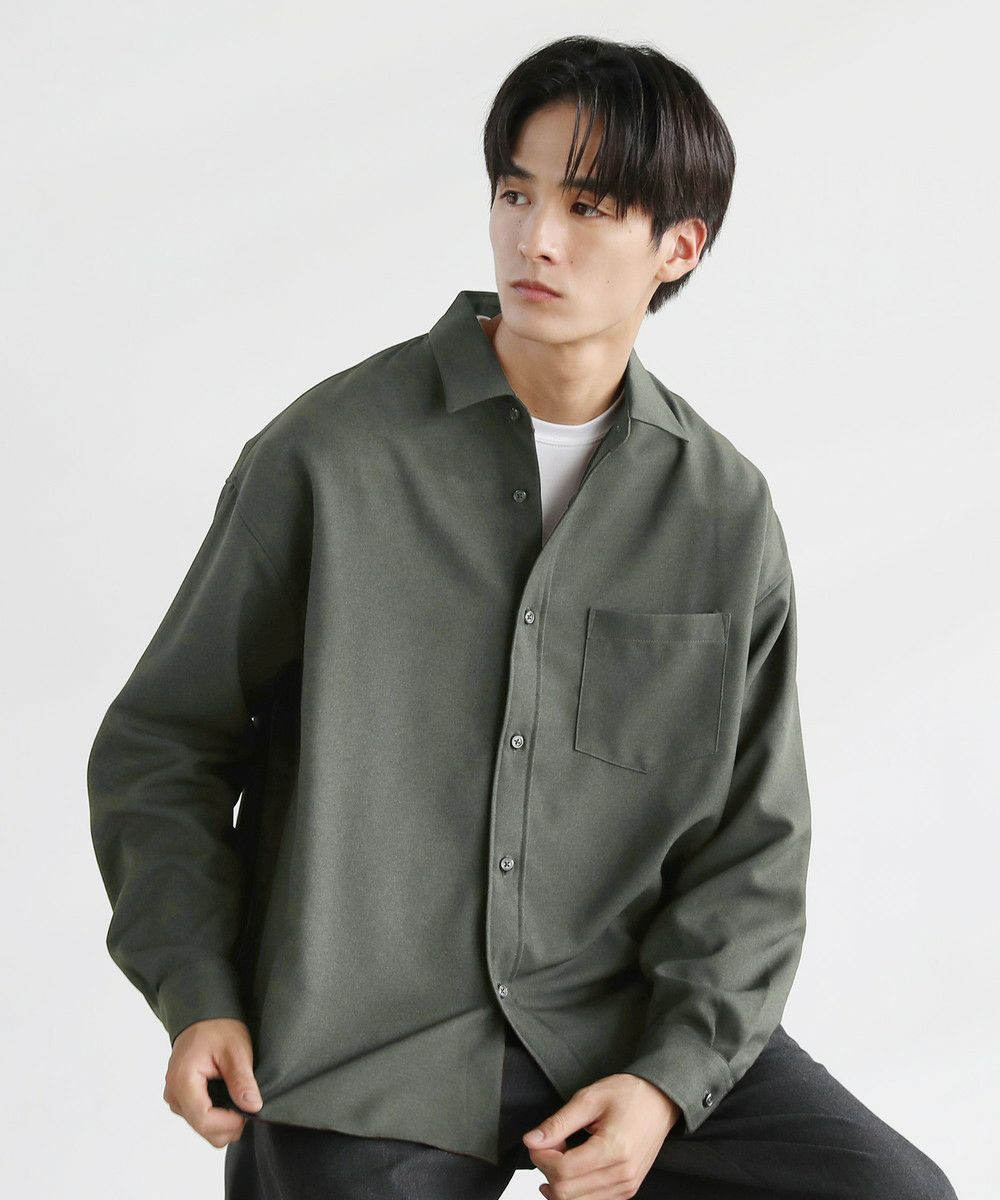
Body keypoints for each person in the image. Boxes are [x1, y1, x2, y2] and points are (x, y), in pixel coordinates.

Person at [87, 34, 958, 1200]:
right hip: (359, 1047)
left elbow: (752, 843)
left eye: (587, 207)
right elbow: (165, 744)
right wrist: (196, 987)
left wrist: (666, 1081)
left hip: (619, 1021)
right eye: (515, 193)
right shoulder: (330, 457)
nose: (534, 238)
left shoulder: (719, 509)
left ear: (678, 247)